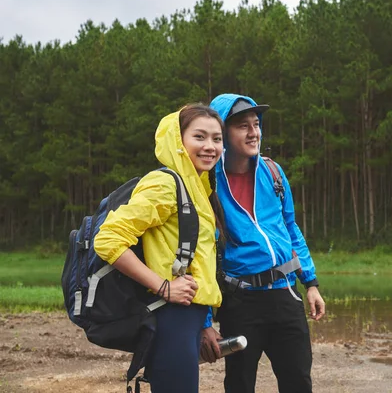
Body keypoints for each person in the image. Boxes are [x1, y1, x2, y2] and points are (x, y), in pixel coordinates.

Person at [94, 103, 225, 393]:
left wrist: (203, 323)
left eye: (217, 139)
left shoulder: (198, 189)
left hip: (187, 317)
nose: (210, 146)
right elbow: (108, 240)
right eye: (199, 137)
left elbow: (196, 265)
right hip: (169, 316)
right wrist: (163, 286)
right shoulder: (165, 184)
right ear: (178, 141)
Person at [201, 93, 326, 393]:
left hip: (285, 295)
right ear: (222, 134)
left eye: (256, 124)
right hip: (240, 302)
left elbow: (290, 228)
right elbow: (202, 255)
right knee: (240, 385)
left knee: (298, 382)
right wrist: (205, 320)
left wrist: (310, 282)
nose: (253, 132)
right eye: (242, 126)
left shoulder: (273, 173)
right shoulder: (207, 184)